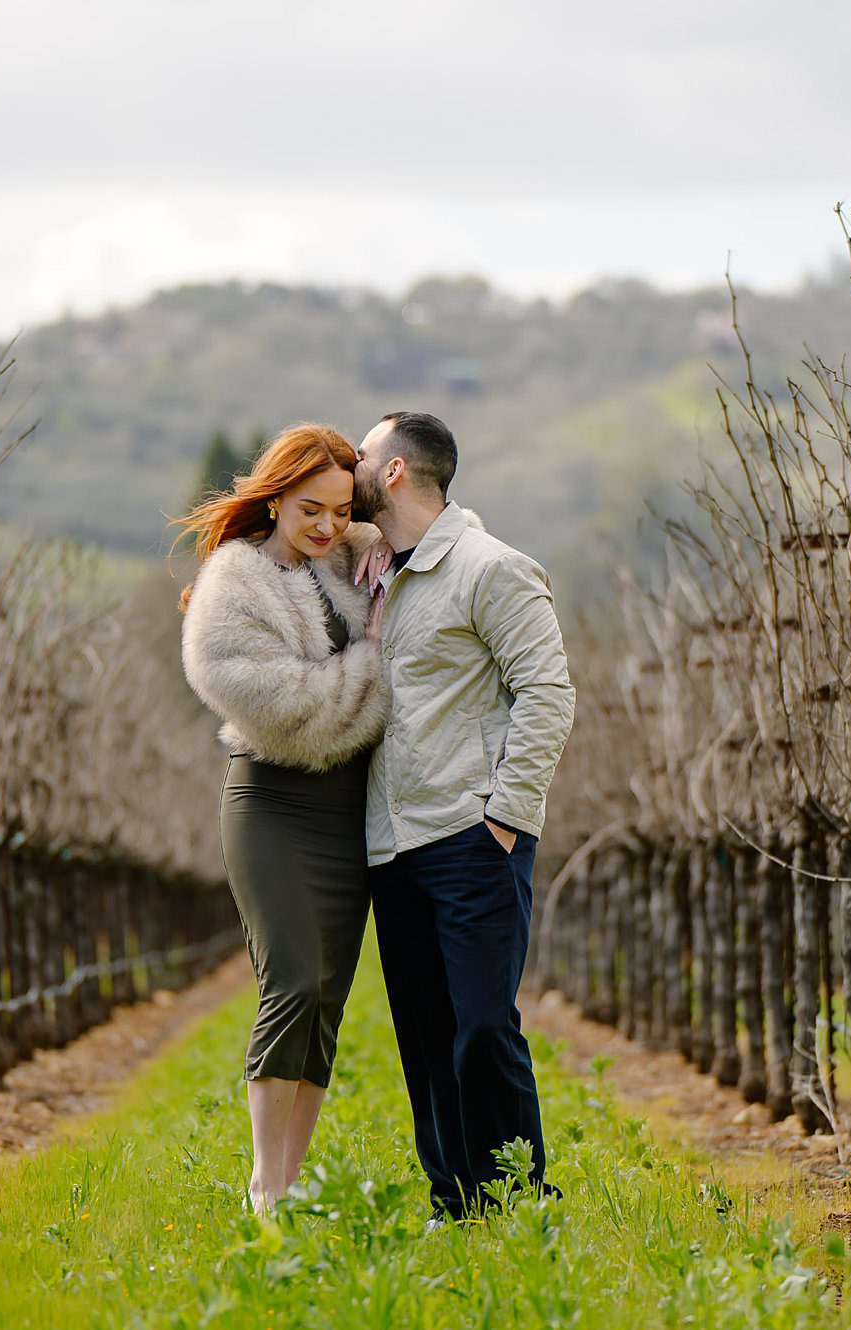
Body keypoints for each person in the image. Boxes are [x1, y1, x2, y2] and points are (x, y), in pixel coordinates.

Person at [350, 410, 575, 1220]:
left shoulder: (491, 568)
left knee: (483, 1025)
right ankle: (455, 1204)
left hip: (471, 836)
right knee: (423, 1034)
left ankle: (518, 1199)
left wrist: (506, 816)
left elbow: (548, 693)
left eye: (363, 451)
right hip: (390, 846)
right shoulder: (372, 572)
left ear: (398, 471)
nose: (352, 461)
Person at [174, 422, 393, 1212]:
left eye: (342, 511)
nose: (328, 525)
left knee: (328, 998)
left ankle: (293, 1186)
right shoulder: (234, 586)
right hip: (273, 801)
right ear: (273, 496)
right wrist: (373, 662)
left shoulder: (348, 555)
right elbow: (287, 710)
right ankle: (265, 1185)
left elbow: (417, 525)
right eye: (311, 509)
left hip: (347, 812)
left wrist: (379, 547)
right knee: (292, 981)